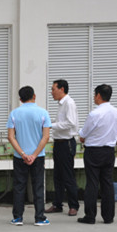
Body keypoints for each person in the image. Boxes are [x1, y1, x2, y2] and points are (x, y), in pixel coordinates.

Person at [7, 85, 52, 226]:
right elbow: (46, 137)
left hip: (19, 156)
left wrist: (23, 154)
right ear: (34, 96)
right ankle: (40, 218)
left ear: (20, 99)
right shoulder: (43, 113)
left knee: (19, 186)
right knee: (38, 186)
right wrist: (34, 155)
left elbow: (11, 137)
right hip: (38, 157)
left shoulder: (14, 114)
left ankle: (18, 218)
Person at [78, 84, 117, 224]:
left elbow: (83, 134)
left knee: (92, 183)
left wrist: (83, 137)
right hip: (109, 151)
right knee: (107, 183)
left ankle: (90, 216)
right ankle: (108, 216)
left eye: (94, 95)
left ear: (98, 95)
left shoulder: (95, 114)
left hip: (93, 151)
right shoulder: (116, 112)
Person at [46, 79, 80, 216]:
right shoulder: (61, 104)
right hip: (59, 143)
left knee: (67, 175)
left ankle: (74, 206)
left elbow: (70, 123)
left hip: (66, 143)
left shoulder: (69, 103)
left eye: (53, 89)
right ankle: (57, 204)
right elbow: (61, 122)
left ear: (62, 89)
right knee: (58, 176)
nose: (51, 92)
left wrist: (50, 125)